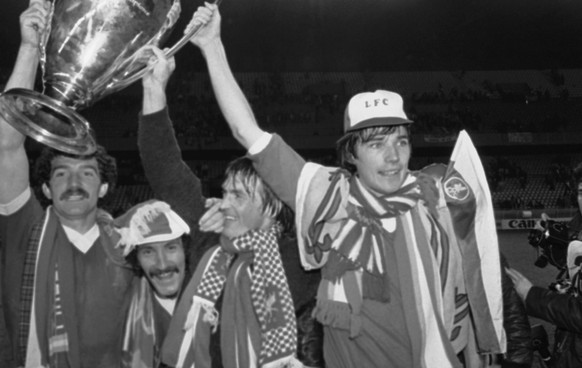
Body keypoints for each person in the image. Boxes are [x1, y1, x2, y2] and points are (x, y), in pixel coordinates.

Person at [185, 3, 507, 367]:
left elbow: (462, 287)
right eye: (376, 143)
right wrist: (213, 47)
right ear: (351, 154)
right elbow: (249, 134)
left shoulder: (431, 197)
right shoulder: (330, 194)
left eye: (401, 141)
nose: (393, 156)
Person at [135, 46, 322, 367]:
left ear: (274, 207)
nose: (226, 203)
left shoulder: (302, 260)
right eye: (226, 192)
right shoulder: (210, 238)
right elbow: (164, 167)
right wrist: (154, 88)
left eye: (240, 196)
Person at [0, 1, 134, 367]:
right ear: (45, 189)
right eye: (61, 173)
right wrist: (29, 48)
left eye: (87, 173)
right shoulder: (26, 229)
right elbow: (4, 146)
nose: (74, 181)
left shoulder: (129, 245)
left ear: (104, 188)